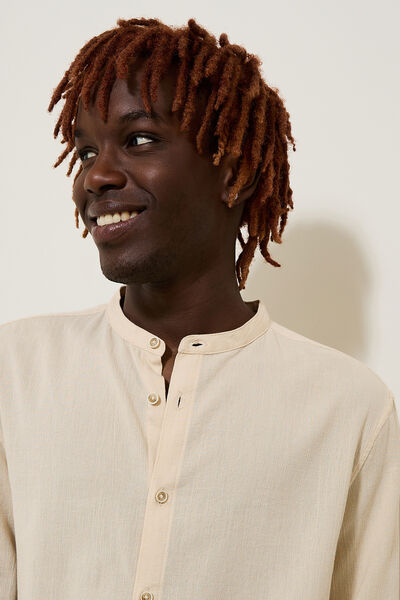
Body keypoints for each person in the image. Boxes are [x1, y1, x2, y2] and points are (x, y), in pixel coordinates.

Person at [0, 17, 398, 600]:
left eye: (139, 140)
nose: (97, 176)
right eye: (86, 151)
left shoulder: (348, 408)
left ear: (234, 171)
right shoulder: (16, 372)